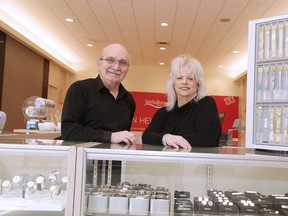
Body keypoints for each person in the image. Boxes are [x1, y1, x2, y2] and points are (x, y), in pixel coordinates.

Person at [61, 43, 136, 144]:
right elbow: (69, 131)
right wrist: (109, 137)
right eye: (110, 60)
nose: (116, 67)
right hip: (81, 157)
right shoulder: (79, 89)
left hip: (115, 158)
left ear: (127, 69)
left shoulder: (129, 100)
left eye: (123, 62)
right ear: (99, 64)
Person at [142, 54, 221, 149]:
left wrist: (174, 140)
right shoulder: (165, 111)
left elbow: (209, 138)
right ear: (173, 83)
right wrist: (166, 138)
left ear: (198, 83)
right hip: (169, 162)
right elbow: (146, 136)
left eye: (190, 78)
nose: (184, 82)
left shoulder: (206, 103)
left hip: (196, 162)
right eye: (179, 78)